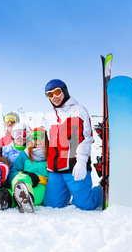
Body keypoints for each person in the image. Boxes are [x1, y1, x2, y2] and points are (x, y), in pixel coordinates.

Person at [43, 79, 102, 211]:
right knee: (52, 205)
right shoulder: (49, 116)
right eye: (50, 94)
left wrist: (81, 162)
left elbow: (85, 139)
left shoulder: (79, 110)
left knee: (85, 205)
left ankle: (101, 189)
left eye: (57, 92)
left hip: (74, 166)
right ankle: (65, 194)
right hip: (55, 169)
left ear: (64, 91)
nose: (54, 97)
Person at [6, 127, 49, 213]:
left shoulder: (51, 154)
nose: (37, 140)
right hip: (23, 181)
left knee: (36, 195)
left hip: (40, 183)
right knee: (22, 177)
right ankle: (3, 195)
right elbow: (12, 174)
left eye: (40, 137)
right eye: (34, 137)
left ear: (46, 139)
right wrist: (26, 174)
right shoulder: (25, 155)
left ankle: (6, 199)